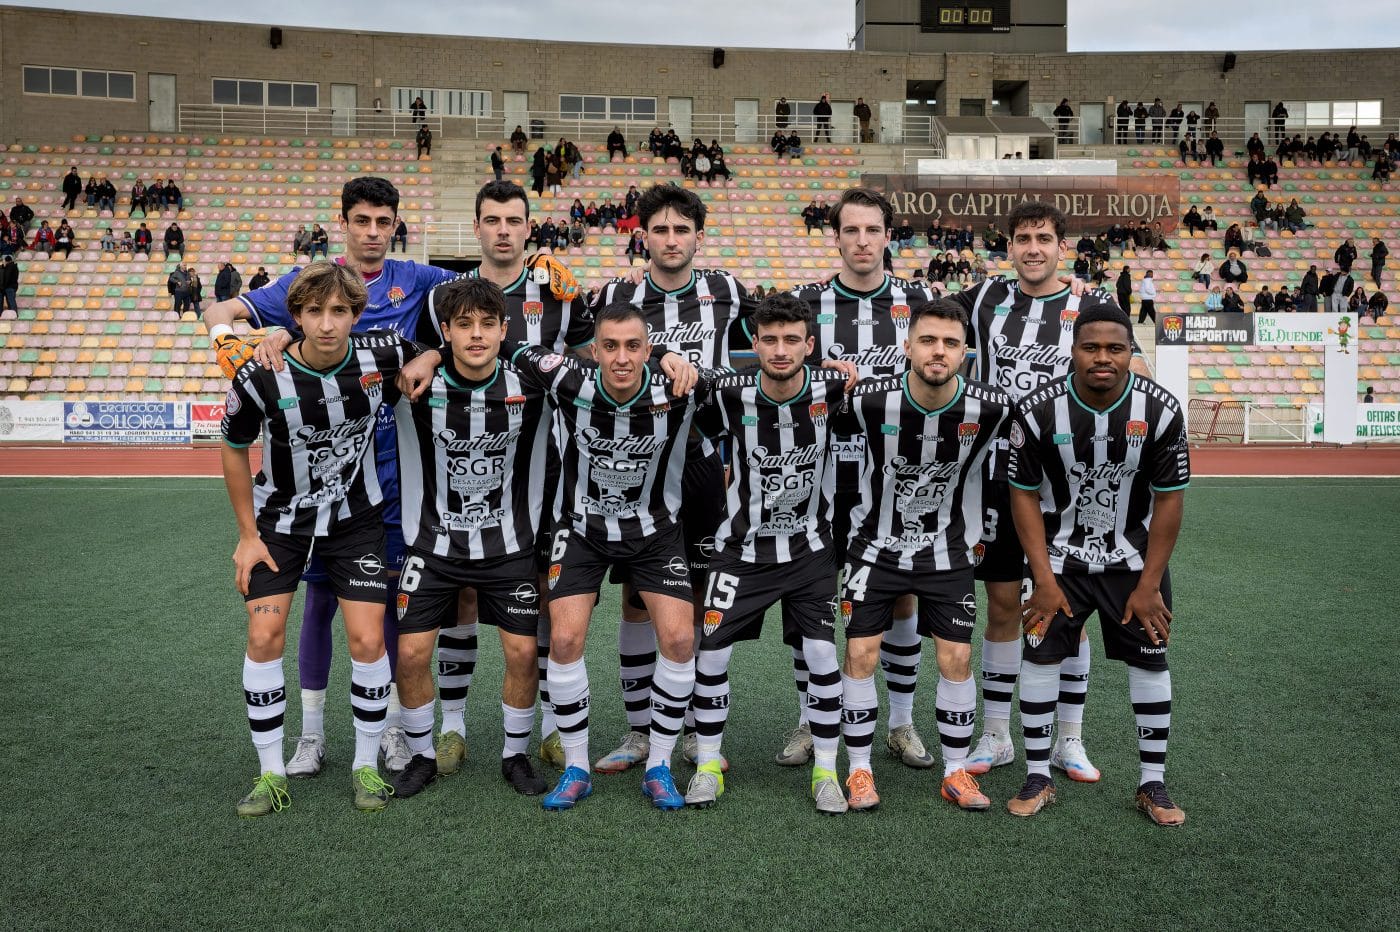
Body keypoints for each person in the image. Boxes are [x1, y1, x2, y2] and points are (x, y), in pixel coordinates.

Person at [204, 177, 459, 779]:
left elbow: (478, 301)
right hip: (303, 491)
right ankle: (312, 734)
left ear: (396, 225)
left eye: (383, 221)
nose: (373, 232)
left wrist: (428, 353)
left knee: (386, 606)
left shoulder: (418, 279)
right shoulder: (304, 284)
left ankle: (393, 727)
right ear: (342, 223)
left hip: (389, 481)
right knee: (317, 600)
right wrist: (230, 338)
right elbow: (222, 309)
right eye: (361, 221)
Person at [939, 202, 1147, 783]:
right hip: (996, 477)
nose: (1034, 248)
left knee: (1068, 611)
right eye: (1024, 238)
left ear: (1063, 246)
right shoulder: (983, 300)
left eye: (1045, 238)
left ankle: (1069, 740)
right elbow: (927, 325)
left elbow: (1123, 365)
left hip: (1069, 485)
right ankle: (997, 733)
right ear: (1009, 246)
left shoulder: (1090, 306)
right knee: (1005, 606)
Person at [485, 303, 707, 812]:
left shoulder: (681, 385)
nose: (622, 358)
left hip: (655, 532)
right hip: (581, 529)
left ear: (649, 350)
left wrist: (679, 359)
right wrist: (427, 358)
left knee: (677, 637)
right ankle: (577, 767)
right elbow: (511, 345)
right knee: (563, 637)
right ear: (595, 349)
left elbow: (756, 378)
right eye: (611, 346)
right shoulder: (568, 378)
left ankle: (659, 765)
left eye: (633, 347)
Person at [220, 261, 420, 818]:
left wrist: (424, 356)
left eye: (339, 311)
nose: (327, 324)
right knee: (264, 636)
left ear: (357, 314)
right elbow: (234, 450)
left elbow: (426, 351)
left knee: (367, 641)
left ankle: (364, 766)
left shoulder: (381, 353)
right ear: (296, 317)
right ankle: (270, 773)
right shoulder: (261, 375)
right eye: (313, 312)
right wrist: (244, 536)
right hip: (278, 525)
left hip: (355, 520)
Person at [588, 184, 759, 775]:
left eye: (681, 230)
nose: (670, 240)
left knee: (702, 600)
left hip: (703, 458)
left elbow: (770, 350)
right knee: (638, 601)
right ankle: (640, 733)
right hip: (634, 461)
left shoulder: (728, 292)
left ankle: (693, 731)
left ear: (698, 237)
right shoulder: (617, 292)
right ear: (644, 237)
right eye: (659, 230)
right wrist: (657, 352)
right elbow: (587, 354)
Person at [1007, 301, 1190, 826]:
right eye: (1091, 347)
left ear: (1131, 351)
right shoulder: (1039, 408)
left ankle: (1152, 782)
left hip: (1132, 562)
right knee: (1040, 658)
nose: (1102, 358)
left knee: (1150, 660)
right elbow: (1022, 495)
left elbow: (1171, 499)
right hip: (1058, 557)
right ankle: (1038, 774)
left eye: (1115, 348)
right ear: (1073, 351)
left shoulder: (1160, 409)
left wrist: (1149, 584)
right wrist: (1041, 579)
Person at [778, 188, 942, 770]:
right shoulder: (805, 301)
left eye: (873, 230)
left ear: (888, 235)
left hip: (896, 479)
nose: (863, 241)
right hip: (817, 475)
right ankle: (808, 717)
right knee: (810, 598)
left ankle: (900, 723)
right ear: (837, 237)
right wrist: (822, 372)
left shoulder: (919, 299)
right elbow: (776, 362)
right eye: (852, 230)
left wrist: (1084, 290)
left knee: (898, 599)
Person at [836, 297, 1013, 812]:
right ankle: (860, 769)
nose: (939, 352)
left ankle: (956, 772)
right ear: (907, 345)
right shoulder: (868, 400)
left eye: (951, 344)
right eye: (929, 340)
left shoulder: (993, 407)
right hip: (874, 548)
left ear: (966, 353)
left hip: (948, 551)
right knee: (861, 655)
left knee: (956, 658)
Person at [386, 277, 561, 799]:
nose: (477, 335)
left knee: (523, 653)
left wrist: (664, 353)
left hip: (508, 547)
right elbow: (349, 343)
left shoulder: (532, 386)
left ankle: (514, 755)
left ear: (504, 329)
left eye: (488, 324)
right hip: (433, 547)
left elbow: (598, 362)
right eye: (463, 325)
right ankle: (422, 755)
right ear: (446, 331)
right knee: (412, 653)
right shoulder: (412, 384)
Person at [683, 292, 856, 815]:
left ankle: (827, 771)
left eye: (791, 340)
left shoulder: (836, 387)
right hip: (740, 551)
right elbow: (691, 425)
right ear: (753, 344)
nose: (780, 350)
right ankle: (708, 765)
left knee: (824, 656)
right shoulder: (727, 393)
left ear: (810, 344)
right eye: (770, 340)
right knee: (711, 656)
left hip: (810, 553)